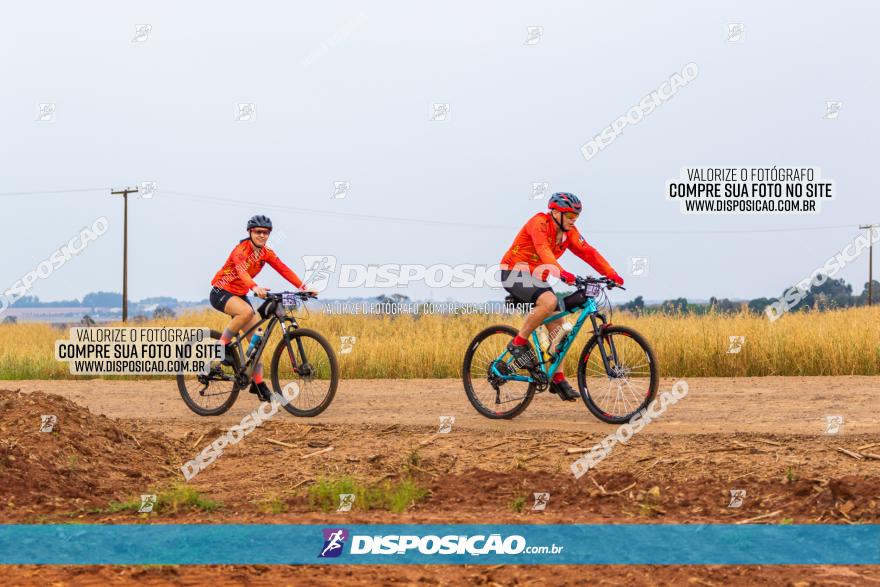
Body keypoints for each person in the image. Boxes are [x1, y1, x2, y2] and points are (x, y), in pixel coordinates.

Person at [499, 193, 624, 401]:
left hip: (538, 278)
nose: (574, 219)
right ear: (555, 212)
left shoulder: (570, 233)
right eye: (569, 215)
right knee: (549, 301)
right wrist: (562, 273)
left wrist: (611, 273)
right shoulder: (539, 223)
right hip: (514, 272)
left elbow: (588, 252)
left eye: (576, 215)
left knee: (560, 330)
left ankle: (557, 378)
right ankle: (518, 343)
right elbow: (543, 250)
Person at [209, 215, 315, 401]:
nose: (262, 236)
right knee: (246, 311)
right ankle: (222, 348)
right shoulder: (240, 250)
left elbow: (283, 269)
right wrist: (254, 287)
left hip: (240, 295)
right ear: (250, 232)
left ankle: (258, 385)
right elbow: (242, 272)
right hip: (221, 291)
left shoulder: (266, 253)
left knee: (257, 342)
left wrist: (304, 288)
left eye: (265, 233)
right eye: (258, 232)